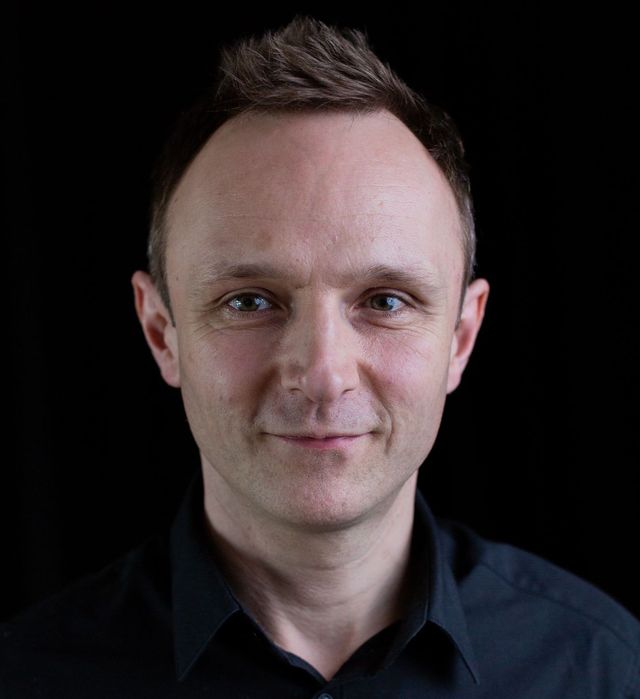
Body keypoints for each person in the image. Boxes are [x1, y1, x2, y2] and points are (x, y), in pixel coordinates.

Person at [2, 15, 639, 698]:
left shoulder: (602, 668)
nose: (323, 375)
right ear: (163, 333)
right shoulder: (30, 679)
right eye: (250, 301)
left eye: (385, 300)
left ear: (461, 337)